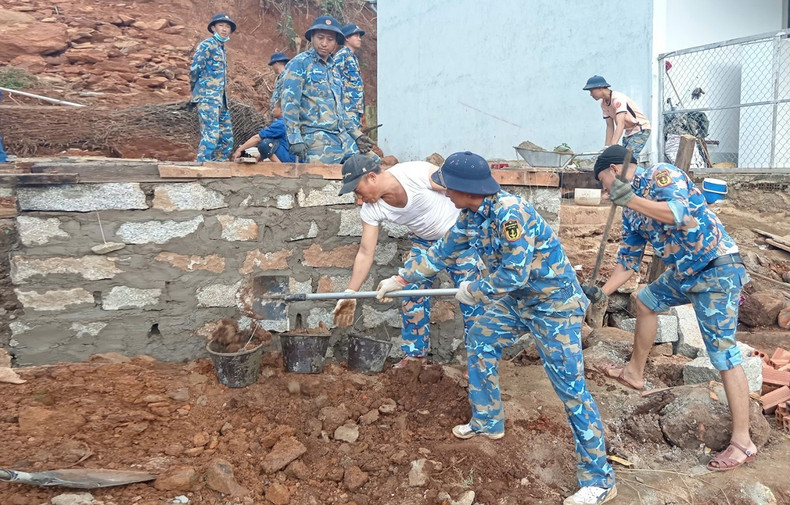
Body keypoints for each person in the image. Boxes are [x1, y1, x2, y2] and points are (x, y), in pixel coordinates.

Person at [377, 152, 617, 505]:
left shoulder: (510, 214)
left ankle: (600, 479)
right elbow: (443, 250)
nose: (442, 190)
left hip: (554, 305)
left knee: (570, 390)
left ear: (463, 189)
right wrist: (401, 277)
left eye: (446, 186)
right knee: (480, 338)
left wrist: (475, 290)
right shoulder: (472, 214)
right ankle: (488, 419)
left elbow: (514, 273)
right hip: (521, 300)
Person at [585, 145, 757, 472]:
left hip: (716, 268)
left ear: (612, 169)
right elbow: (628, 264)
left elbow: (679, 213)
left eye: (602, 181)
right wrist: (597, 293)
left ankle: (742, 441)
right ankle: (634, 374)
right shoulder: (630, 212)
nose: (603, 189)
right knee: (645, 300)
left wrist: (629, 198)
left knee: (722, 353)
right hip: (685, 272)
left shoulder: (661, 175)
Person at [333, 154, 483, 367]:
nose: (358, 199)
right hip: (423, 243)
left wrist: (477, 225)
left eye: (358, 190)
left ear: (372, 177)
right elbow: (366, 252)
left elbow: (460, 190)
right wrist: (350, 293)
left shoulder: (416, 173)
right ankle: (415, 357)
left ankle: (477, 362)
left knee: (470, 295)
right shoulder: (371, 209)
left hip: (459, 239)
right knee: (411, 292)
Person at [280, 15, 376, 164]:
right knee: (322, 180)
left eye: (330, 39)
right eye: (320, 37)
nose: (324, 43)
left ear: (336, 43)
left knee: (372, 163)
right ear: (312, 37)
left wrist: (357, 135)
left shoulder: (334, 70)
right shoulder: (300, 63)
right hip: (315, 137)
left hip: (341, 137)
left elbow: (342, 110)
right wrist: (295, 139)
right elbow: (289, 102)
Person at [190, 13, 236, 162]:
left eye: (227, 27)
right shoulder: (207, 45)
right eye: (221, 25)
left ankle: (216, 167)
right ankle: (201, 168)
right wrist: (198, 91)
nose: (224, 29)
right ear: (213, 27)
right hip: (207, 97)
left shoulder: (222, 49)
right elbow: (194, 70)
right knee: (211, 135)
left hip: (221, 101)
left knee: (227, 139)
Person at [583, 75, 651, 157]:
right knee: (620, 159)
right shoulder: (604, 104)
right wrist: (607, 147)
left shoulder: (618, 99)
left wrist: (613, 146)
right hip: (629, 131)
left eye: (591, 91)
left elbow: (620, 124)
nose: (591, 94)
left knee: (628, 159)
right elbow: (609, 126)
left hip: (640, 128)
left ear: (600, 88)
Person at [334, 23, 366, 130]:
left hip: (354, 108)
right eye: (356, 35)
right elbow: (333, 78)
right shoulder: (342, 55)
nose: (359, 39)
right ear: (347, 38)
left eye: (359, 36)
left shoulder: (352, 57)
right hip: (346, 108)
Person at [268, 51, 290, 118]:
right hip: (276, 116)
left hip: (282, 117)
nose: (272, 67)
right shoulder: (280, 78)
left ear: (276, 63)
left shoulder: (287, 77)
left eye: (272, 65)